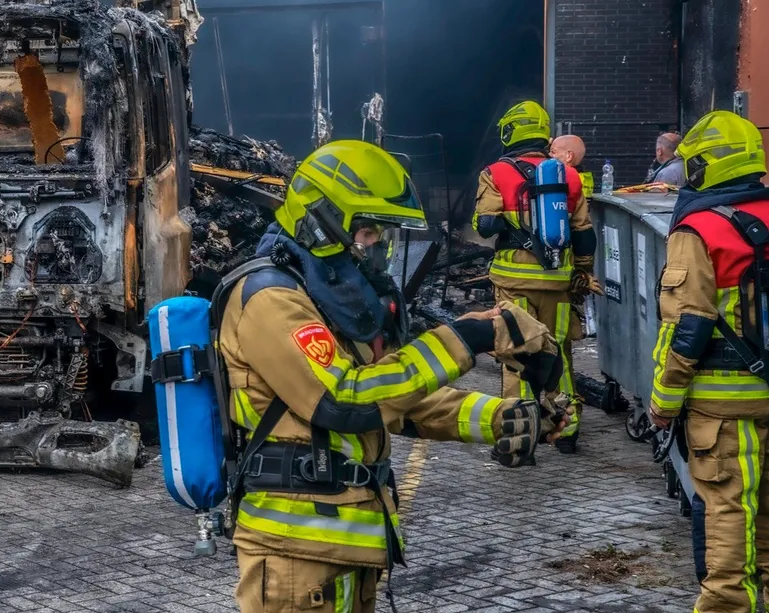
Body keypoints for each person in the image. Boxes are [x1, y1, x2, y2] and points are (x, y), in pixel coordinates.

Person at [220, 139, 569, 613]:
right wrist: (464, 338)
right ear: (321, 222)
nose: (378, 248)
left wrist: (501, 417)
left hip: (345, 544)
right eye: (367, 232)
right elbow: (348, 399)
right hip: (294, 557)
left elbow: (398, 396)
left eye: (384, 234)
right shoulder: (271, 300)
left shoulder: (330, 297)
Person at [648, 111, 769, 613]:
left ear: (706, 164)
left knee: (728, 521)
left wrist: (663, 404)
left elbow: (687, 326)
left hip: (721, 407)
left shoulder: (699, 228)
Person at [473, 101, 597, 453]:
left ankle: (518, 439)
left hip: (513, 283)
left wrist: (513, 220)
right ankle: (567, 431)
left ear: (510, 131)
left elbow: (484, 225)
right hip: (558, 283)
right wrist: (583, 274)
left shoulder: (495, 172)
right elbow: (585, 234)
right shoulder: (568, 176)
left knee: (516, 354)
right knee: (560, 353)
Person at [550, 134, 593, 198]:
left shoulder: (564, 179)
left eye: (553, 152)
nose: (549, 155)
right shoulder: (585, 179)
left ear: (569, 156)